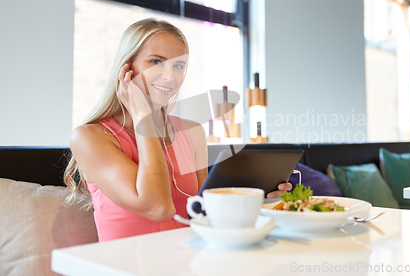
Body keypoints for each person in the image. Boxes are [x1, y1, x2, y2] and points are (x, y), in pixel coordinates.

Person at [64, 18, 291, 242]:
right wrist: (144, 118)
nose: (170, 75)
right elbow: (159, 208)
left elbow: (204, 214)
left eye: (178, 66)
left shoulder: (191, 132)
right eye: (155, 61)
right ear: (127, 68)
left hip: (189, 260)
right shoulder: (90, 137)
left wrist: (262, 204)